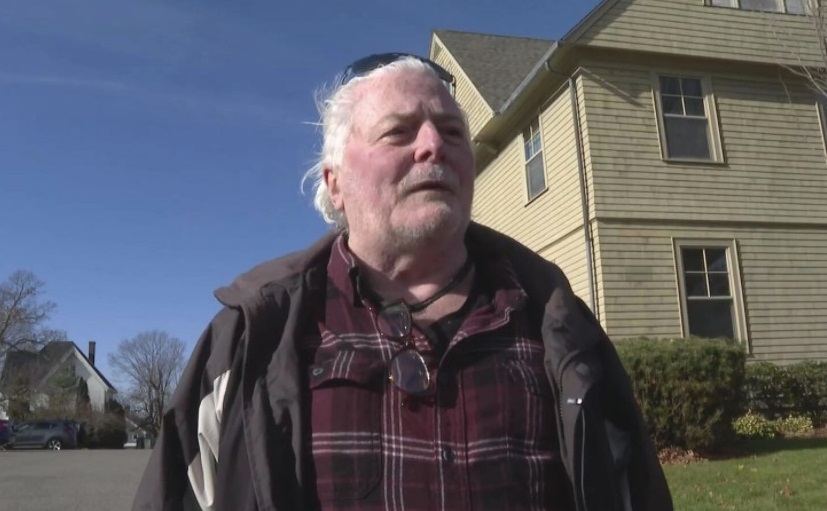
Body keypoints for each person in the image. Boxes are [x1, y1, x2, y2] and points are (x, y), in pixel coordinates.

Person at [132, 53, 672, 511]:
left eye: (453, 131)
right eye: (399, 132)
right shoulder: (254, 336)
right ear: (334, 182)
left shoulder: (557, 323)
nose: (434, 145)